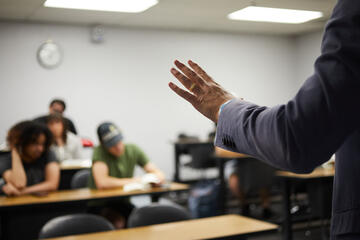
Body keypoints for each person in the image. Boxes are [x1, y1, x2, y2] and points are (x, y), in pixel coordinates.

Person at [168, 1, 360, 238]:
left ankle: (265, 207)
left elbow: (298, 138)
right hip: (244, 164)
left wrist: (225, 108)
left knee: (260, 174)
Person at [88, 122, 165, 229]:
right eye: (112, 145)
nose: (118, 147)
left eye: (119, 141)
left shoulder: (133, 149)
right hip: (100, 204)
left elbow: (157, 172)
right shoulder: (99, 152)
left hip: (122, 202)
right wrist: (137, 180)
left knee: (143, 219)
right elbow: (102, 182)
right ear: (103, 144)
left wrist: (156, 178)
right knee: (117, 222)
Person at [0, 121, 60, 196]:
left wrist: (22, 192)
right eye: (35, 143)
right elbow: (19, 184)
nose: (40, 149)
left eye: (43, 144)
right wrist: (15, 150)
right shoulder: (5, 159)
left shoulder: (47, 153)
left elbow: (52, 184)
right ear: (21, 142)